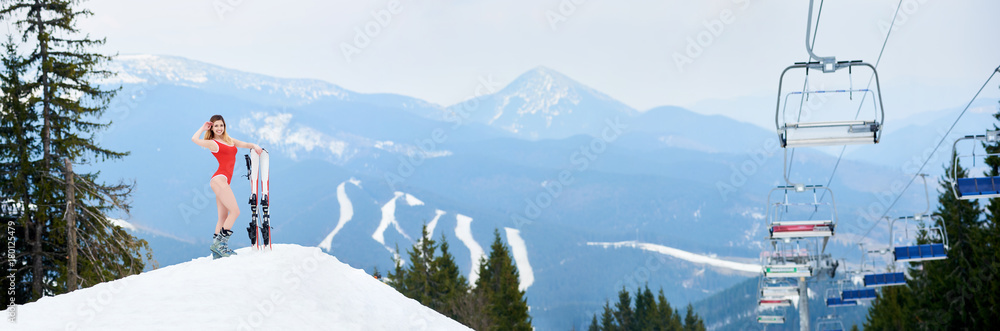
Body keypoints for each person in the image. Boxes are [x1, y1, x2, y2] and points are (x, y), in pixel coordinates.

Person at [191, 115, 263, 259]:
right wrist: (203, 128)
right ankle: (220, 246)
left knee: (223, 217)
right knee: (235, 212)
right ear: (212, 127)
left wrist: (255, 146)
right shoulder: (213, 143)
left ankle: (217, 251)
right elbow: (194, 139)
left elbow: (243, 144)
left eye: (221, 125)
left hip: (222, 181)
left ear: (224, 126)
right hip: (219, 180)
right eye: (216, 126)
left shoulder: (229, 141)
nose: (219, 128)